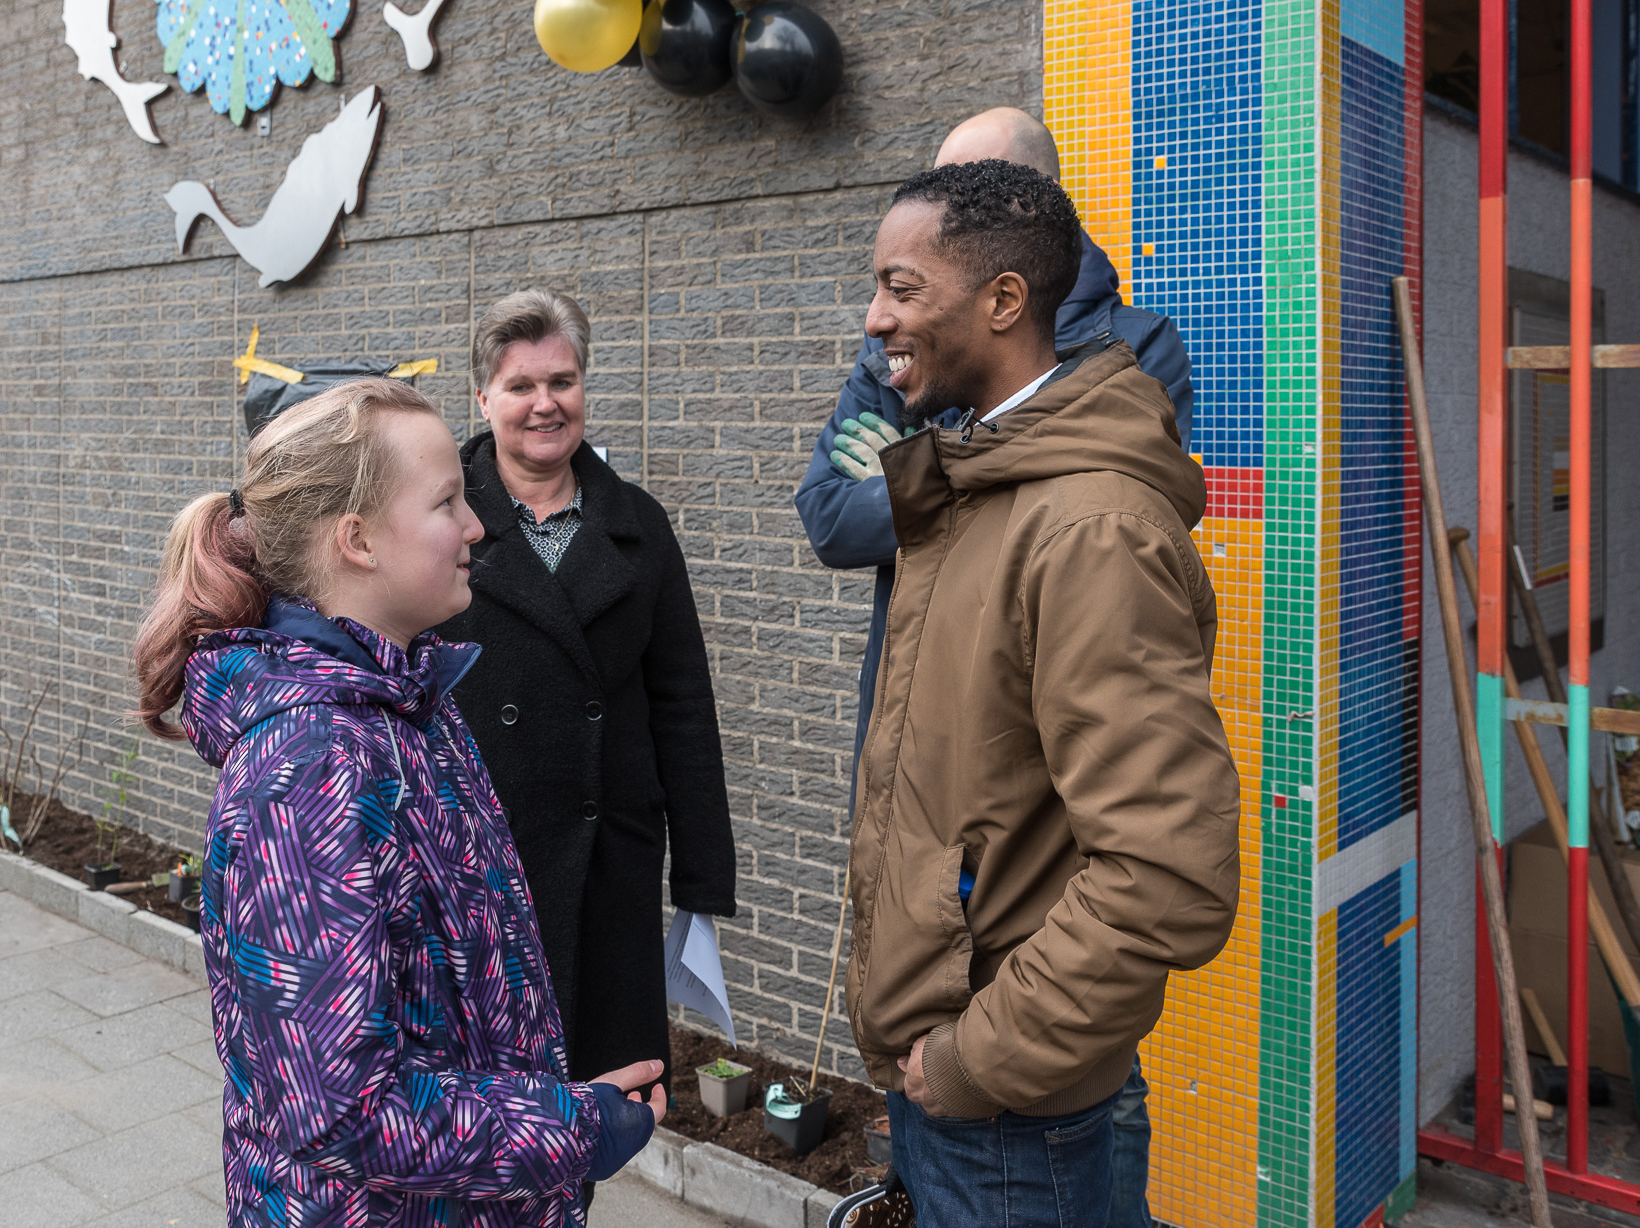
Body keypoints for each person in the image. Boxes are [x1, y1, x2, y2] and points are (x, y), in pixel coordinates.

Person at [132, 378, 668, 1227]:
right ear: (357, 541)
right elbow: (341, 1112)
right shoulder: (308, 768)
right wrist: (573, 1130)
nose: (477, 526)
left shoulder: (410, 703)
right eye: (447, 502)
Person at [795, 107, 1191, 1228]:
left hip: (1000, 1083)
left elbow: (1159, 870)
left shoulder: (1095, 516)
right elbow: (831, 515)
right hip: (944, 1033)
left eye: (903, 286)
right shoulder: (966, 444)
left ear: (1008, 289)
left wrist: (983, 1055)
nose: (874, 323)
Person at [436, 289, 737, 1093]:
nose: (545, 404)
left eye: (562, 382)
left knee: (602, 1099)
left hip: (609, 862)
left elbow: (682, 703)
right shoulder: (436, 518)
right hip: (476, 862)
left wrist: (702, 877)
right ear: (483, 397)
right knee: (490, 1105)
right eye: (521, 386)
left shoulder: (639, 524)